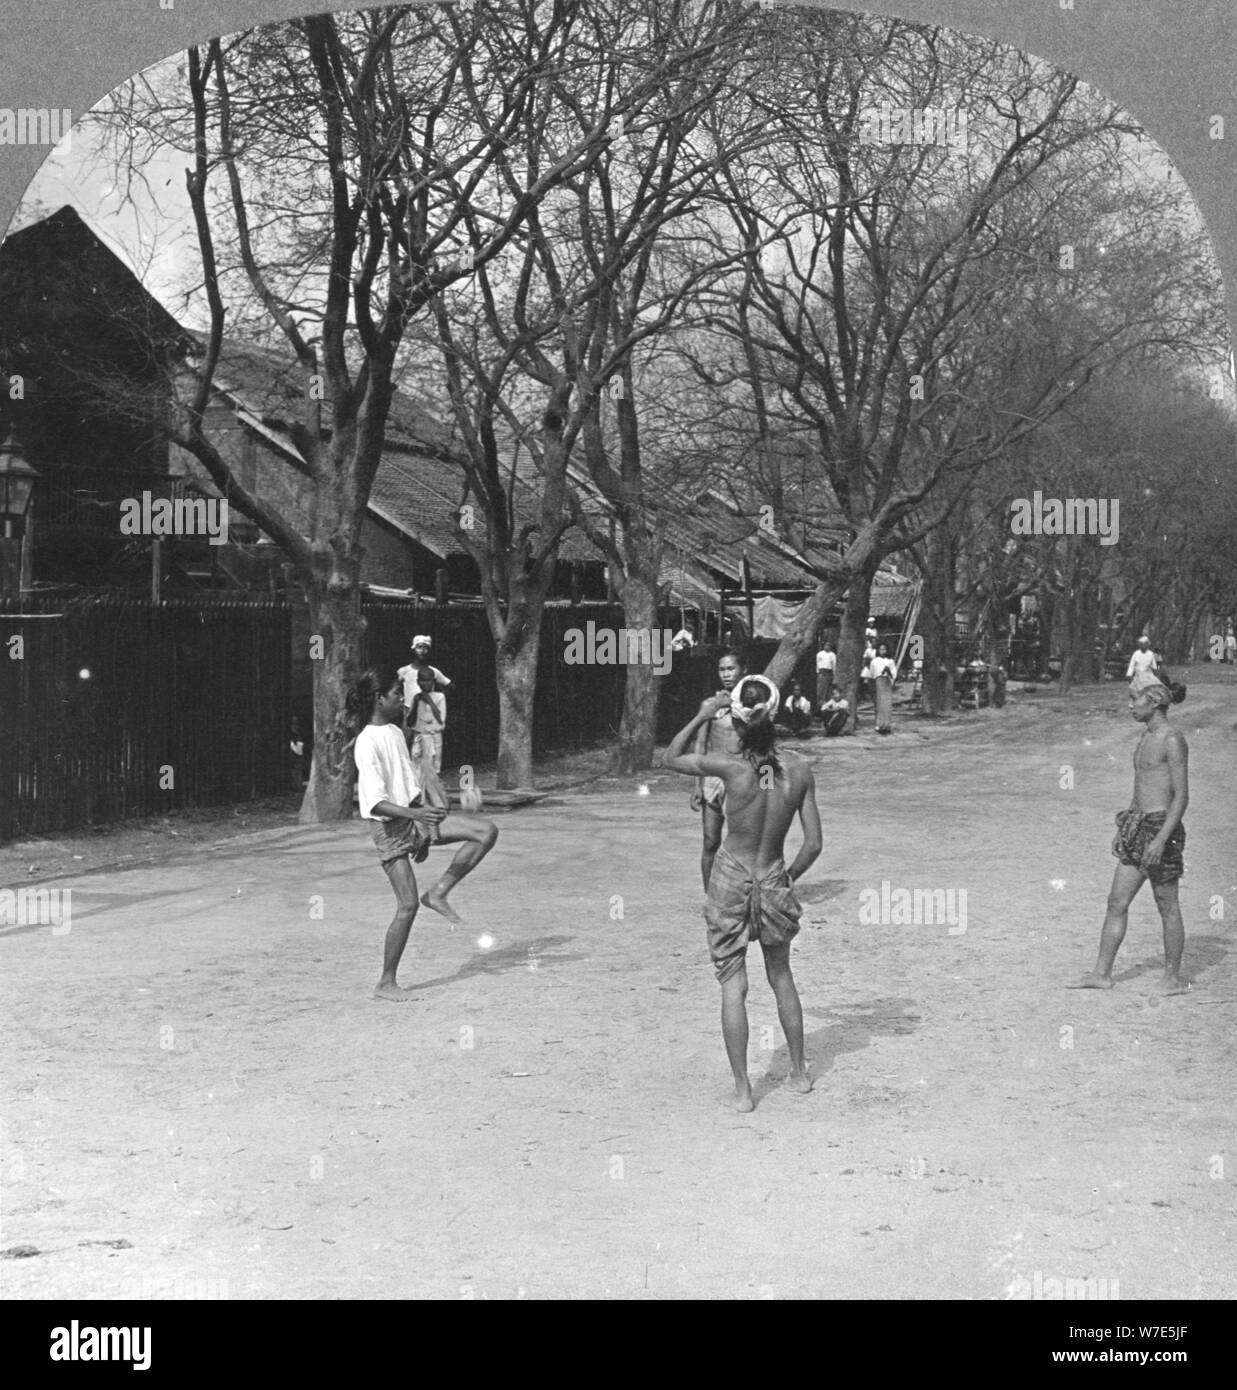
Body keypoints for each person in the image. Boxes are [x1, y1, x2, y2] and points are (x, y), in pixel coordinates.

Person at [664, 675, 822, 1112]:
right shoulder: (799, 770)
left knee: (733, 984)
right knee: (782, 975)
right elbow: (813, 845)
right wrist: (786, 876)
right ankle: (800, 1072)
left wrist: (701, 713)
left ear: (737, 719)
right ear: (774, 716)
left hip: (730, 876)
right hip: (771, 875)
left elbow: (670, 757)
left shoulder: (730, 768)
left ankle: (743, 1091)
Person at [348, 666, 498, 1001]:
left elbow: (411, 787)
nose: (402, 699)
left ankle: (440, 892)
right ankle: (386, 983)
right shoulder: (367, 742)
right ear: (378, 698)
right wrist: (418, 816)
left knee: (485, 831)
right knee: (407, 906)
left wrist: (426, 827)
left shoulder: (395, 733)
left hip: (413, 819)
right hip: (388, 828)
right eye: (396, 694)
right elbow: (375, 803)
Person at [1069, 671, 1190, 995]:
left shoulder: (1172, 739)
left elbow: (1181, 796)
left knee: (1167, 904)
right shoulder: (1144, 737)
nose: (1129, 706)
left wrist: (1161, 839)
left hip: (1160, 829)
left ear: (1154, 700)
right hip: (1136, 826)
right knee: (1116, 901)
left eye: (1133, 699)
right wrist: (1126, 829)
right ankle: (1102, 973)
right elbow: (1142, 790)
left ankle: (1172, 979)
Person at [689, 649, 747, 890]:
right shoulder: (709, 704)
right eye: (722, 669)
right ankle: (710, 897)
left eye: (731, 668)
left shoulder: (751, 703)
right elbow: (700, 744)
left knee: (743, 843)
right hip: (713, 778)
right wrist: (696, 785)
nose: (726, 674)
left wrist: (766, 784)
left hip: (741, 779)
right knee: (710, 840)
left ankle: (741, 895)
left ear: (744, 670)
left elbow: (764, 747)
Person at [406, 666, 447, 773]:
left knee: (433, 768)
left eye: (428, 680)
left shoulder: (440, 697)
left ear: (433, 681)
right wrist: (416, 703)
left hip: (434, 736)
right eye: (422, 681)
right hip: (419, 736)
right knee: (416, 767)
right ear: (418, 682)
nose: (425, 684)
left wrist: (427, 699)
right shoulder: (416, 697)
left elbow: (440, 718)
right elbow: (410, 721)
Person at [398, 635, 452, 712]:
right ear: (413, 649)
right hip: (408, 711)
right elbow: (395, 687)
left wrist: (437, 699)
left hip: (427, 711)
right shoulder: (404, 671)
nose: (422, 650)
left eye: (425, 648)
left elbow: (450, 686)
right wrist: (401, 700)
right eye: (419, 647)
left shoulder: (433, 671)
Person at [870, 642, 898, 734]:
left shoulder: (890, 661)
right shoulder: (875, 661)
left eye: (884, 649)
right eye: (881, 649)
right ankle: (879, 724)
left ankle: (887, 725)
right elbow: (872, 673)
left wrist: (888, 671)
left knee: (887, 703)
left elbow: (894, 673)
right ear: (878, 650)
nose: (883, 651)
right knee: (880, 703)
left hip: (887, 681)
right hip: (879, 681)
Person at [815, 640, 836, 706]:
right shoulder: (820, 654)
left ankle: (828, 703)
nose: (827, 647)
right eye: (826, 645)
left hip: (829, 672)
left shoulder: (832, 654)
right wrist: (818, 672)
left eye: (829, 646)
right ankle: (819, 703)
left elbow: (834, 664)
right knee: (820, 689)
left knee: (828, 689)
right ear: (824, 646)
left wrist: (834, 673)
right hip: (821, 672)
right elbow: (817, 663)